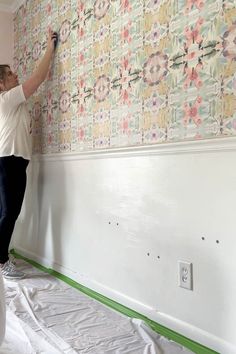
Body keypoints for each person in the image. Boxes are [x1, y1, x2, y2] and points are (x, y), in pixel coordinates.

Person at [0, 29, 57, 280]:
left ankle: (1, 258)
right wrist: (50, 48)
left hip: (13, 160)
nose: (15, 75)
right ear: (1, 83)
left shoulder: (15, 104)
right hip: (10, 160)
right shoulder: (7, 98)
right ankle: (1, 261)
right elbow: (39, 76)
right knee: (9, 213)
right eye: (10, 74)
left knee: (8, 212)